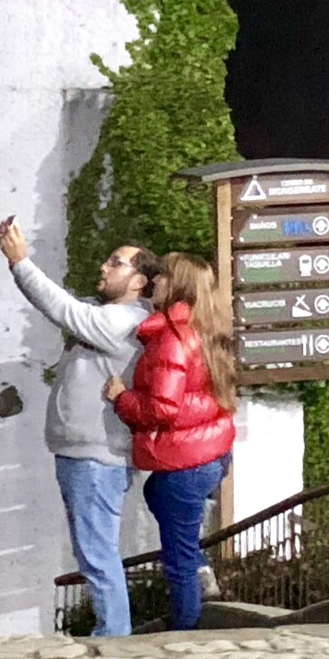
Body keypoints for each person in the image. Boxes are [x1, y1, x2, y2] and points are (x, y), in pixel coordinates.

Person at [0, 215, 155, 637]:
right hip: (83, 453)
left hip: (96, 457)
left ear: (139, 281)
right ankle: (113, 631)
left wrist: (21, 263)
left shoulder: (124, 321)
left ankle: (113, 635)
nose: (105, 266)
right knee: (92, 551)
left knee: (97, 553)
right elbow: (67, 308)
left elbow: (63, 309)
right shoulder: (112, 317)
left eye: (117, 262)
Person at [114, 253, 239, 630]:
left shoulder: (172, 339)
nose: (155, 282)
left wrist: (121, 397)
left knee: (177, 560)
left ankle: (184, 635)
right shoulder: (206, 328)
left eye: (163, 277)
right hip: (211, 454)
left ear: (177, 287)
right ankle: (201, 570)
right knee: (157, 495)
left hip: (186, 464)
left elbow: (162, 409)